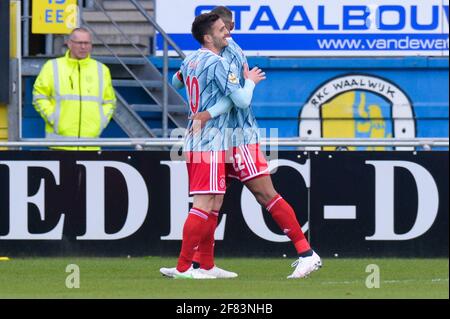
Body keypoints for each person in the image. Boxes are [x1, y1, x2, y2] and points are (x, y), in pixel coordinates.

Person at [189, 6, 322, 279]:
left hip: (240, 136)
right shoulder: (209, 56)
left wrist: (207, 112)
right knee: (212, 202)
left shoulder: (231, 53)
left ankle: (307, 253)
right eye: (226, 27)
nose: (230, 31)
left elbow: (238, 99)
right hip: (218, 139)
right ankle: (203, 265)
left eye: (229, 27)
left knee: (265, 193)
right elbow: (179, 81)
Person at [160, 12, 265, 279]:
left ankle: (206, 265)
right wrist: (250, 82)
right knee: (204, 203)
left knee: (213, 200)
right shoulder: (217, 63)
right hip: (208, 141)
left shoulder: (191, 58)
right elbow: (241, 100)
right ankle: (184, 268)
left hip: (202, 139)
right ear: (208, 37)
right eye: (220, 29)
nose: (226, 32)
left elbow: (175, 81)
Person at [33, 27, 116, 150]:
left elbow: (109, 102)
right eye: (79, 43)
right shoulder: (52, 66)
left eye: (87, 43)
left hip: (90, 146)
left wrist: (100, 122)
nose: (83, 47)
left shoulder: (101, 70)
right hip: (59, 145)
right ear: (70, 44)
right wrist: (54, 118)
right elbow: (39, 96)